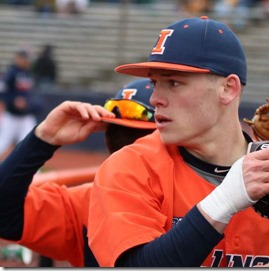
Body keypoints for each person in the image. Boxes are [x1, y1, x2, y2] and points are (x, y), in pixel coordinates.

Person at [88, 16, 269, 267]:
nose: (155, 98)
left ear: (228, 89)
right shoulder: (128, 168)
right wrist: (224, 199)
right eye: (155, 83)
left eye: (174, 83)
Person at [0, 79, 156, 267]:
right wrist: (43, 139)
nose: (128, 146)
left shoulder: (198, 198)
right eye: (118, 132)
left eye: (141, 137)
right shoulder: (87, 202)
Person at [0, 49, 41, 160]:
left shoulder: (29, 73)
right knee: (3, 143)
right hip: (12, 117)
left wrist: (30, 104)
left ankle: (36, 173)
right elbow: (3, 93)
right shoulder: (10, 73)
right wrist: (14, 100)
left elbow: (33, 94)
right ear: (18, 58)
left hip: (26, 117)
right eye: (24, 58)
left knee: (31, 144)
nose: (26, 61)